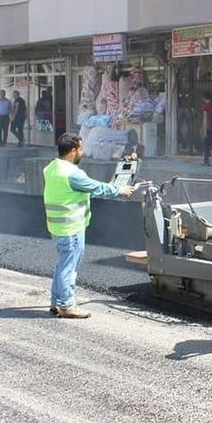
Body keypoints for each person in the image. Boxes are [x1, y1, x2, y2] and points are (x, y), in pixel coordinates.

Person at [43, 133, 135, 319]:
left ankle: (56, 303)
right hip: (71, 228)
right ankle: (67, 305)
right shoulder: (73, 174)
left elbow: (84, 190)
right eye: (81, 149)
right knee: (69, 267)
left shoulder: (52, 167)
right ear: (73, 150)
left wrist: (114, 181)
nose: (83, 153)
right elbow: (96, 188)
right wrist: (120, 191)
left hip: (57, 227)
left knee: (62, 265)